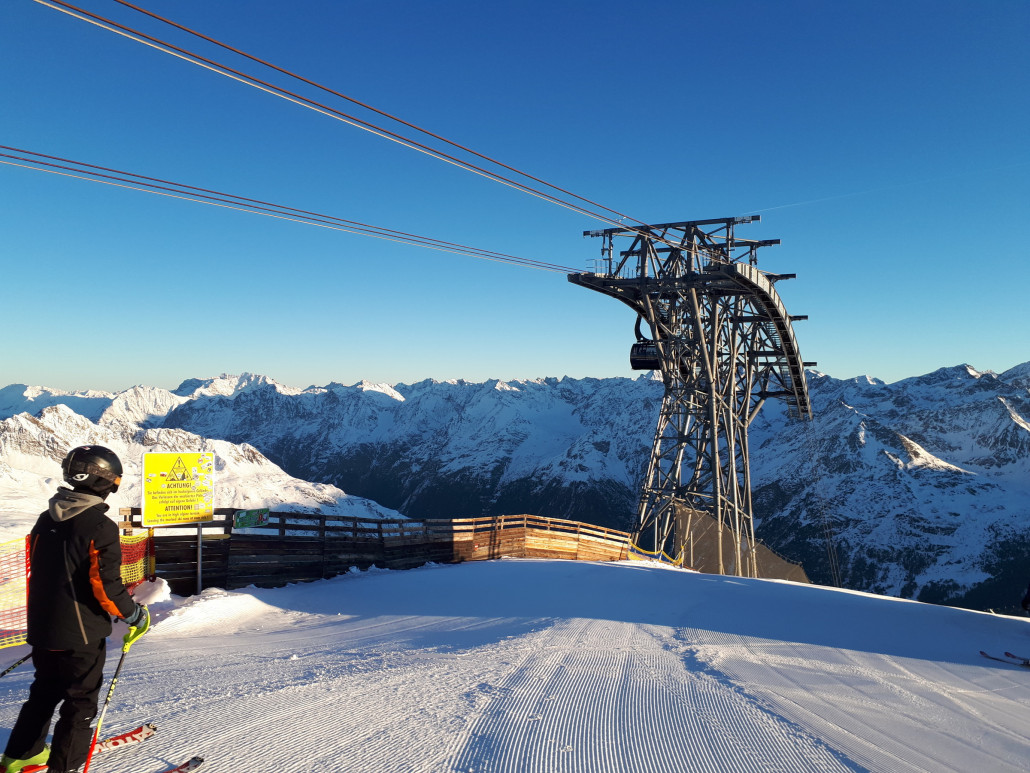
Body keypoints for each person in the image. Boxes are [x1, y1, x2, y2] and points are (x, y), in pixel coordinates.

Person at [0, 446, 150, 773]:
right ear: (103, 481)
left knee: (43, 693)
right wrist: (135, 615)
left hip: (43, 629)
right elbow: (106, 587)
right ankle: (64, 766)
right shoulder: (99, 526)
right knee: (80, 703)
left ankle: (19, 757)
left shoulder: (45, 520)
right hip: (81, 635)